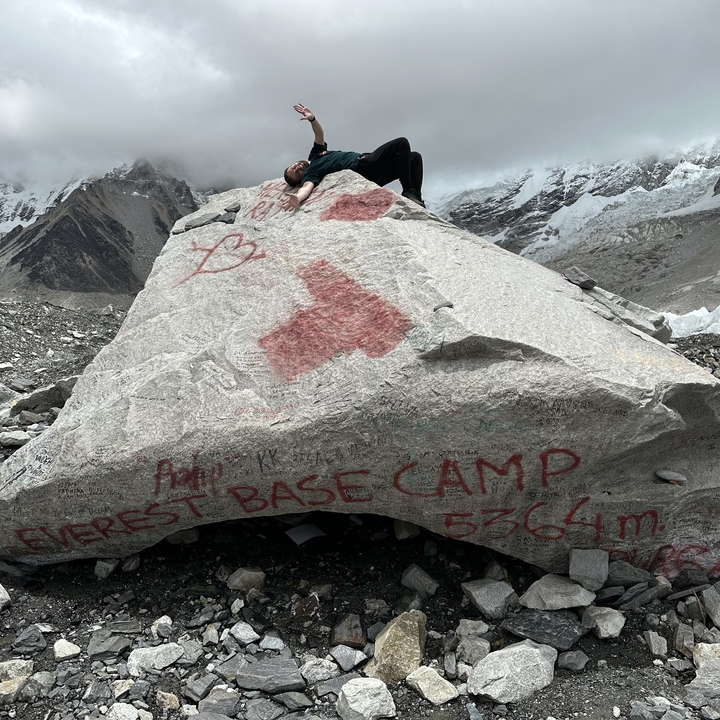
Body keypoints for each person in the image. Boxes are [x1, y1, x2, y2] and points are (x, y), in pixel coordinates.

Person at [280, 104, 425, 210]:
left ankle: (415, 199)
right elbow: (307, 187)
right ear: (301, 178)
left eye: (294, 166)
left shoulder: (315, 155)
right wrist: (298, 198)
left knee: (414, 158)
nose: (298, 168)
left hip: (375, 177)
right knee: (401, 143)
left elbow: (319, 134)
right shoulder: (311, 172)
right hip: (363, 166)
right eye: (297, 173)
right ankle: (407, 190)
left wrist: (312, 119)